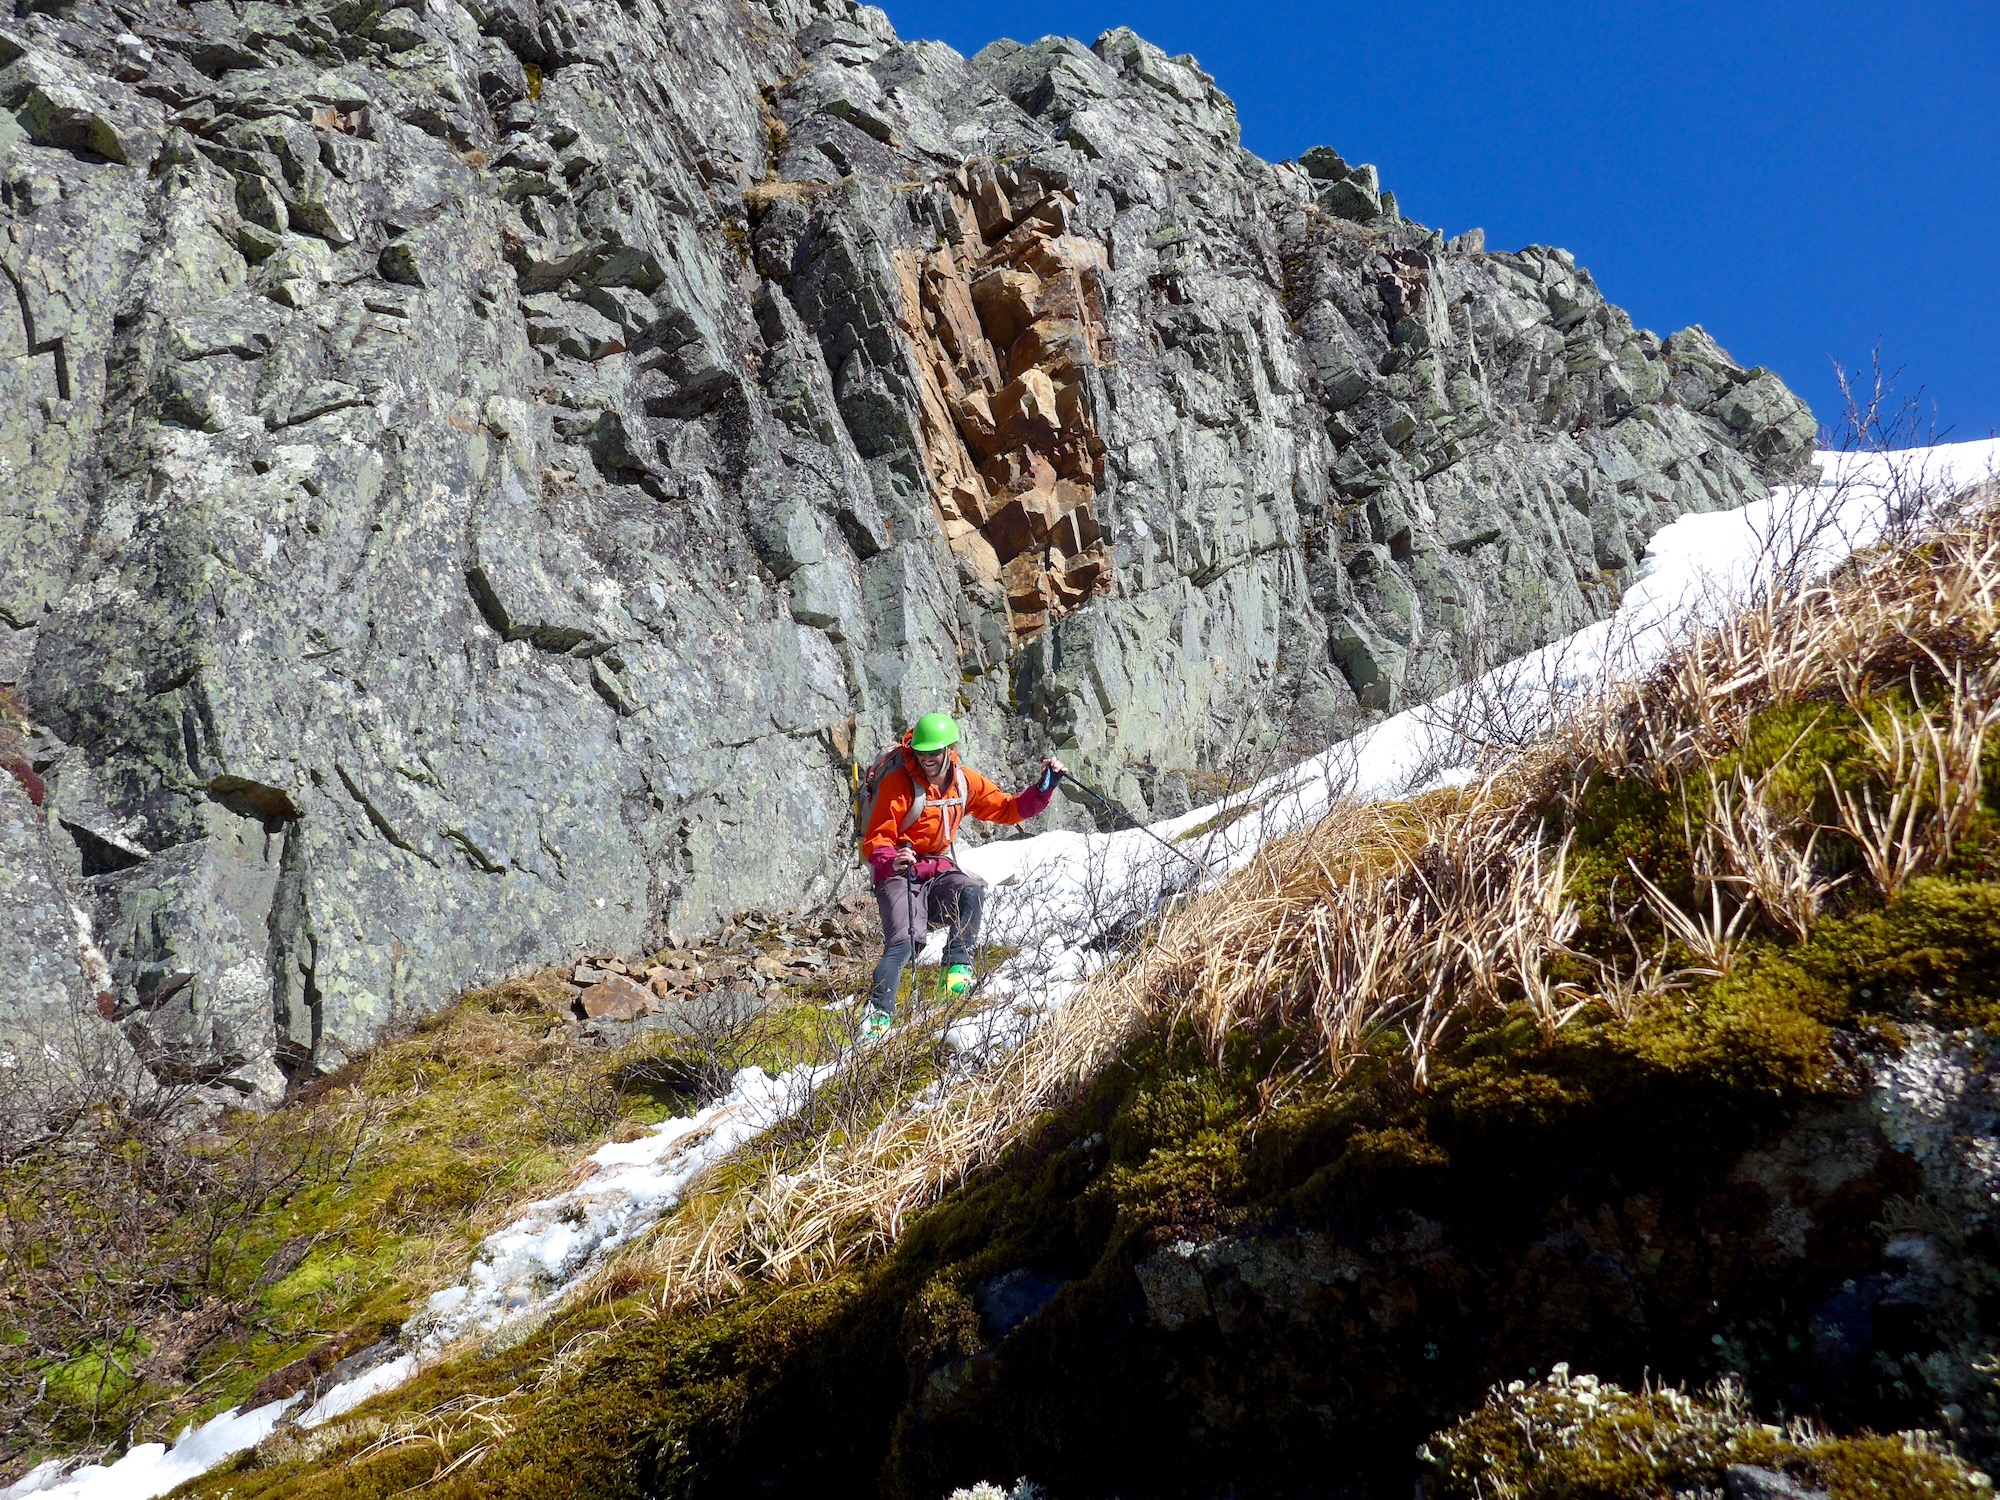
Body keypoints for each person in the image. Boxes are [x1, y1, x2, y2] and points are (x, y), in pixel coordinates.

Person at [859, 712, 1066, 1039]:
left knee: (970, 892)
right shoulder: (898, 784)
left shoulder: (964, 782)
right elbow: (876, 839)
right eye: (922, 752)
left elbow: (1008, 809)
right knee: (904, 943)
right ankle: (876, 1016)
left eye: (934, 753)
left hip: (936, 867)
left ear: (949, 750)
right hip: (898, 870)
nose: (927, 759)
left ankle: (956, 972)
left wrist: (1044, 787)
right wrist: (892, 858)